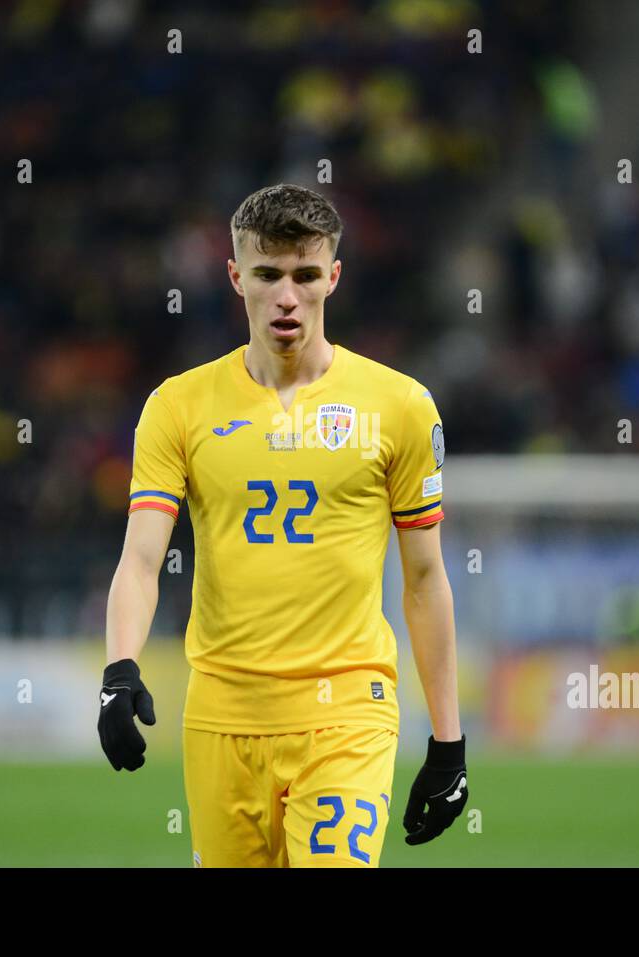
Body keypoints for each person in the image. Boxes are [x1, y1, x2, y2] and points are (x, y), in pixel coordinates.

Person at [98, 183, 466, 867]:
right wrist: (119, 668)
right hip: (221, 715)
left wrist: (450, 742)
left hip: (348, 711)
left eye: (304, 274)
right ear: (236, 277)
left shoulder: (400, 406)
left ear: (334, 275)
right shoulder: (177, 407)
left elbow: (424, 579)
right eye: (267, 274)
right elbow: (142, 561)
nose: (287, 296)